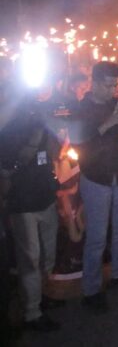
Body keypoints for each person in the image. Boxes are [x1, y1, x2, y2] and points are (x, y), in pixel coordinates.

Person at [71, 62, 118, 313]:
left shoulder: (117, 104)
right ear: (96, 82)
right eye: (109, 85)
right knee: (97, 236)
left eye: (115, 85)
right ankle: (91, 289)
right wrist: (107, 123)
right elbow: (79, 143)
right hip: (96, 176)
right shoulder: (81, 108)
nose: (113, 90)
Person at [0, 87, 63, 331]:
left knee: (48, 254)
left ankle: (41, 296)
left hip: (45, 195)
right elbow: (6, 165)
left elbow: (54, 154)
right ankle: (32, 312)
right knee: (30, 258)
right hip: (23, 201)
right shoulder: (8, 127)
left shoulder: (44, 122)